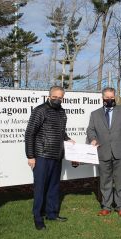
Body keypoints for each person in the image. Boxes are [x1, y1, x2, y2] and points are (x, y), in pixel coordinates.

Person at [25, 85, 73, 230]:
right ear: (49, 96)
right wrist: (30, 156)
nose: (57, 100)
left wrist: (68, 139)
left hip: (57, 156)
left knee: (54, 187)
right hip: (41, 156)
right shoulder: (40, 110)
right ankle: (38, 217)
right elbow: (30, 133)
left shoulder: (62, 112)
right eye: (55, 97)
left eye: (60, 98)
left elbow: (61, 132)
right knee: (40, 188)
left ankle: (52, 213)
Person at [86, 87, 121, 217]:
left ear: (115, 97)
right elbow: (90, 130)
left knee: (120, 180)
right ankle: (106, 206)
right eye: (107, 97)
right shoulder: (95, 114)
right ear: (102, 98)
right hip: (103, 151)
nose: (109, 100)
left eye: (111, 97)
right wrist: (93, 139)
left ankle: (120, 206)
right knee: (105, 180)